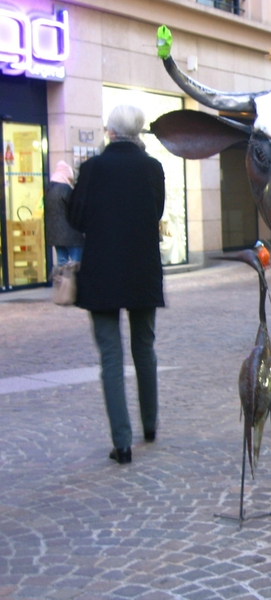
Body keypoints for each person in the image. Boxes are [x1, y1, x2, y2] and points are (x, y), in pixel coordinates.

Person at [68, 105, 166, 465]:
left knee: (111, 357)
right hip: (141, 269)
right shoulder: (152, 168)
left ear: (109, 131)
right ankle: (150, 425)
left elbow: (76, 217)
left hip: (101, 273)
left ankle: (122, 443)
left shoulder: (92, 169)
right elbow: (155, 212)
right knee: (145, 349)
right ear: (138, 132)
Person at [44, 161, 83, 265]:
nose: (70, 181)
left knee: (62, 265)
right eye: (70, 178)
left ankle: (61, 281)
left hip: (55, 235)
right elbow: (75, 209)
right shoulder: (65, 189)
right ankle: (73, 282)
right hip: (71, 235)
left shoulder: (49, 189)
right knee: (76, 266)